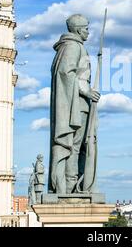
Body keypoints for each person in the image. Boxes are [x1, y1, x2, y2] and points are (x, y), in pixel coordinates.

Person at [48, 14, 100, 194]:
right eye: (86, 29)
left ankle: (76, 184)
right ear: (78, 30)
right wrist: (86, 91)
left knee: (80, 145)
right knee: (74, 146)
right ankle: (70, 187)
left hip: (80, 104)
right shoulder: (72, 46)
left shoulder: (72, 47)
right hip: (77, 107)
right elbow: (66, 73)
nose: (88, 32)